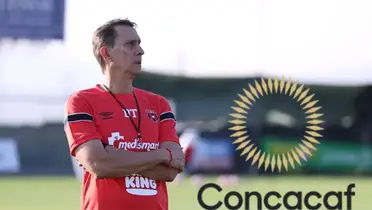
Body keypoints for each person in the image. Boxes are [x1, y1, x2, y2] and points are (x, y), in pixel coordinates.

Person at [63, 18, 185, 210]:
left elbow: (171, 170)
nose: (140, 51)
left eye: (139, 44)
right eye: (130, 44)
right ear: (106, 53)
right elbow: (98, 164)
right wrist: (161, 155)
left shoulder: (159, 104)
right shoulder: (81, 101)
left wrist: (115, 157)